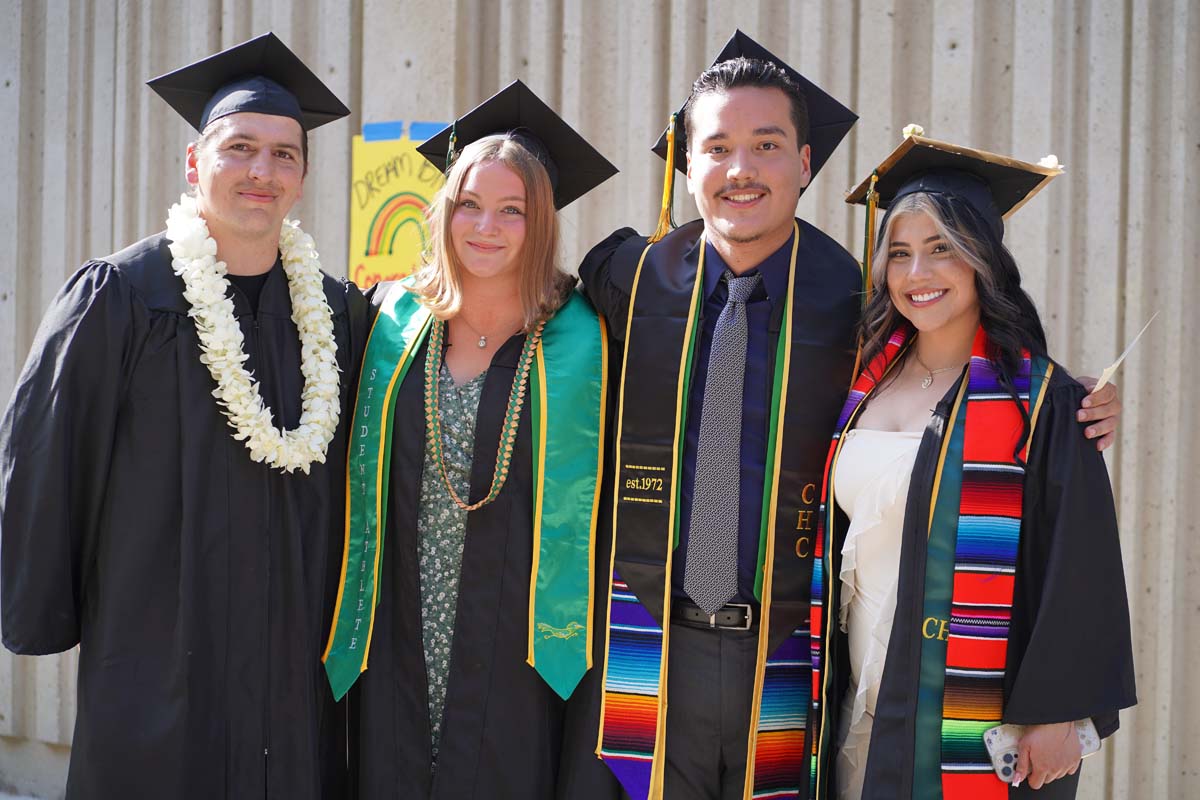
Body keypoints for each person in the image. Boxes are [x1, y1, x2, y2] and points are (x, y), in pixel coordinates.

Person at [564, 30, 1123, 800]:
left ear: (804, 162)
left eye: (766, 145)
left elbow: (966, 363)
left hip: (793, 653)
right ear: (687, 162)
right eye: (718, 146)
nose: (740, 169)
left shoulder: (854, 299)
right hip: (649, 642)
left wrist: (1071, 402)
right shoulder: (630, 274)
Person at [0, 34, 362, 799]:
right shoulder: (122, 298)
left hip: (292, 654)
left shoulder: (333, 313)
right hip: (159, 643)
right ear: (195, 164)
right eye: (240, 148)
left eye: (284, 155)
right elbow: (47, 455)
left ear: (301, 179)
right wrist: (42, 603)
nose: (262, 172)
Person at [805, 135, 1136, 800]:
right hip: (855, 685)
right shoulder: (860, 381)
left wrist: (1061, 711)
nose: (917, 272)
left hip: (972, 705)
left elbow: (1079, 561)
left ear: (983, 258)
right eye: (899, 253)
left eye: (942, 247)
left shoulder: (1037, 402)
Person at [320, 80, 617, 798]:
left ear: (540, 221)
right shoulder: (392, 322)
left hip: (521, 626)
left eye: (512, 210)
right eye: (470, 205)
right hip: (401, 610)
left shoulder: (589, 336)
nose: (487, 226)